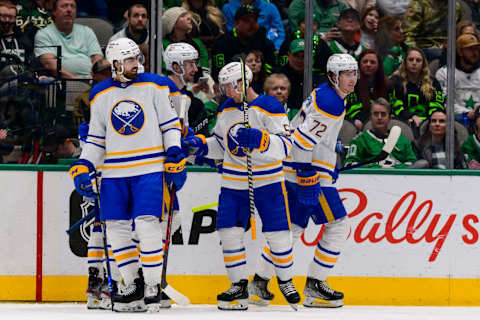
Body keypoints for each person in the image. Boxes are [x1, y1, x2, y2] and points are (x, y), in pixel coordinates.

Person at [69, 37, 187, 312]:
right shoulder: (100, 93)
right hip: (113, 173)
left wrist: (173, 153)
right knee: (116, 229)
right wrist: (84, 164)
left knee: (147, 225)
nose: (137, 64)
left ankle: (152, 286)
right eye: (131, 59)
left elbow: (170, 124)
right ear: (117, 63)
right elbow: (97, 138)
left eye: (137, 58)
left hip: (149, 168)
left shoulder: (155, 85)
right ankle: (132, 285)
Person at [182, 61, 300, 310]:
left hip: (268, 179)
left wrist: (261, 139)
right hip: (233, 181)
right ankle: (238, 285)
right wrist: (201, 145)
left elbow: (287, 147)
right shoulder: (226, 108)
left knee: (278, 233)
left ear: (241, 83)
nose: (224, 92)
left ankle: (285, 279)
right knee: (228, 232)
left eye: (228, 86)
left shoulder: (270, 106)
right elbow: (222, 144)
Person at [250, 54, 357, 308]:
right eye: (347, 74)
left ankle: (259, 282)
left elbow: (310, 131)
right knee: (338, 226)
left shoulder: (324, 92)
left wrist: (330, 148)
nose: (352, 79)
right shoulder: (332, 102)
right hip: (307, 172)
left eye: (354, 73)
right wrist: (307, 171)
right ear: (334, 76)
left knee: (294, 228)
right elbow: (303, 141)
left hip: (297, 167)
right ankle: (315, 285)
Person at [34, 0, 103, 79]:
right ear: (54, 12)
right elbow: (49, 65)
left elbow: (97, 58)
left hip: (90, 80)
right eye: (64, 6)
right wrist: (76, 80)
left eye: (72, 6)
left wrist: (94, 77)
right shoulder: (44, 34)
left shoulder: (87, 31)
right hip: (63, 83)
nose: (69, 10)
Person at [344, 98, 417, 168]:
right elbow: (349, 164)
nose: (379, 117)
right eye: (376, 114)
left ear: (389, 118)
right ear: (370, 117)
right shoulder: (359, 140)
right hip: (369, 179)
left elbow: (413, 163)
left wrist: (394, 168)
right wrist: (378, 168)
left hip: (400, 179)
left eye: (383, 114)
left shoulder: (401, 140)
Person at [211, 4, 276, 81]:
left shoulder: (265, 42)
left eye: (255, 20)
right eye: (247, 21)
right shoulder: (222, 43)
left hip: (261, 83)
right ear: (236, 23)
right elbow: (218, 72)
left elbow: (273, 68)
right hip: (234, 84)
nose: (252, 25)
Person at [388, 47, 445, 127]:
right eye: (411, 60)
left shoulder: (433, 83)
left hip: (427, 122)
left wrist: (427, 120)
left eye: (418, 60)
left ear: (423, 64)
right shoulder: (395, 81)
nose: (414, 63)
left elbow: (437, 105)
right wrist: (411, 116)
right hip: (401, 121)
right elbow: (394, 104)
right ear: (405, 62)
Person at [163, 42, 209, 136]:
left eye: (195, 63)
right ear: (176, 67)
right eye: (191, 64)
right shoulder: (158, 94)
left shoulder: (194, 103)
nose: (196, 69)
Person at [436, 34, 480, 129]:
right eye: (470, 49)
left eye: (476, 48)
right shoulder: (445, 73)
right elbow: (445, 103)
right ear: (460, 51)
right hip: (457, 119)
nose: (475, 52)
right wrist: (466, 112)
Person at [275, 39, 322, 118]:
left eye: (304, 56)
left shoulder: (316, 79)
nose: (300, 60)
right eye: (296, 55)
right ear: (288, 55)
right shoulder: (277, 77)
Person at [345, 49, 388, 131]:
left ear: (378, 65)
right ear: (359, 64)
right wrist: (355, 121)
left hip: (380, 121)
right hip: (357, 122)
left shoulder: (385, 83)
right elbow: (350, 108)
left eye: (372, 62)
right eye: (365, 61)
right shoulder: (351, 83)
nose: (368, 65)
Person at [221, 0, 285, 51]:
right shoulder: (227, 8)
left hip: (267, 49)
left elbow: (279, 33)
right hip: (239, 51)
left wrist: (276, 48)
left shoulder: (270, 7)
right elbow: (231, 33)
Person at [162, 6, 210, 72]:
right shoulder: (162, 44)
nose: (189, 17)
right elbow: (164, 69)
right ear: (173, 24)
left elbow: (205, 68)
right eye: (182, 16)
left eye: (187, 15)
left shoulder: (197, 43)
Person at [72, 58, 112, 128]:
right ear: (94, 76)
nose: (109, 76)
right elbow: (83, 127)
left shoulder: (124, 93)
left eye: (111, 73)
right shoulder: (83, 99)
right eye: (104, 74)